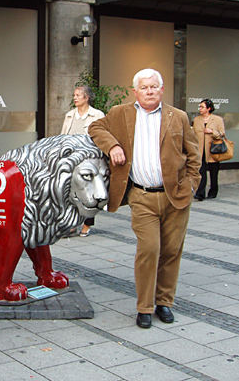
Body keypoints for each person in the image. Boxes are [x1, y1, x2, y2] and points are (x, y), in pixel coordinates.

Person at [89, 68, 201, 329]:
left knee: (171, 251)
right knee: (149, 249)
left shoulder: (179, 117)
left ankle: (164, 302)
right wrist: (113, 146)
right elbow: (95, 127)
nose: (149, 91)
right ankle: (144, 307)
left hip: (176, 197)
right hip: (141, 195)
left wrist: (191, 186)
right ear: (135, 91)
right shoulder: (120, 114)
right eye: (144, 87)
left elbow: (194, 156)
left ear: (161, 90)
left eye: (154, 87)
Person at [61, 85, 104, 237]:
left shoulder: (97, 115)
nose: (75, 98)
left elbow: (102, 137)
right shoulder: (69, 115)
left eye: (78, 95)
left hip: (88, 161)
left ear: (86, 98)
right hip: (71, 160)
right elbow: (62, 137)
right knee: (69, 193)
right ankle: (72, 224)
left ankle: (87, 223)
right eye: (74, 95)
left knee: (87, 193)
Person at [193, 99, 225, 201]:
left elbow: (222, 134)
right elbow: (193, 134)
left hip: (213, 150)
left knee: (213, 173)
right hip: (200, 150)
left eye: (202, 107)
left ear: (209, 108)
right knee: (201, 173)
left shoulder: (218, 119)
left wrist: (212, 131)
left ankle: (213, 192)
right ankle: (200, 194)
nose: (200, 109)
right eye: (200, 107)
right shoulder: (197, 119)